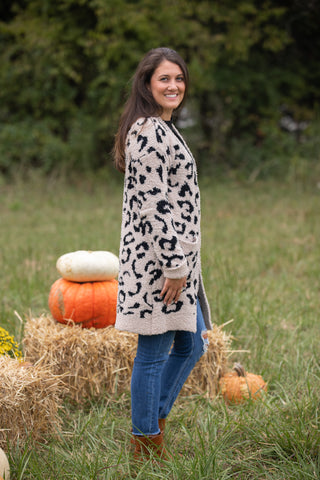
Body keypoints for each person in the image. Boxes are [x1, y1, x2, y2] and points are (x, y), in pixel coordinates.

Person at [113, 47, 212, 462]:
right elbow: (153, 206)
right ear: (147, 85)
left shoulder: (165, 128)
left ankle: (152, 422)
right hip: (157, 264)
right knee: (153, 355)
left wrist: (183, 262)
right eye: (163, 79)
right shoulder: (148, 132)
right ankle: (145, 444)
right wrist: (174, 264)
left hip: (177, 260)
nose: (173, 86)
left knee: (192, 345)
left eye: (179, 79)